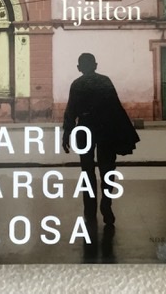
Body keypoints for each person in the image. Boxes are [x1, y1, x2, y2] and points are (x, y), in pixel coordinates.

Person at [62, 53, 139, 225]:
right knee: (107, 169)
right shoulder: (105, 81)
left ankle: (89, 209)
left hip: (85, 129)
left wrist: (66, 133)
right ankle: (106, 203)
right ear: (95, 65)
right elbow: (116, 107)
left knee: (87, 170)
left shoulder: (77, 84)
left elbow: (70, 111)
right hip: (106, 129)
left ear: (79, 68)